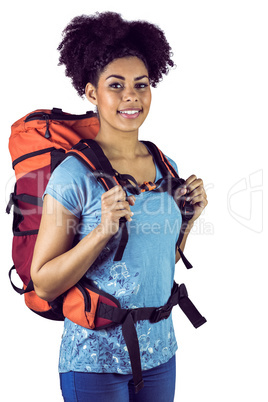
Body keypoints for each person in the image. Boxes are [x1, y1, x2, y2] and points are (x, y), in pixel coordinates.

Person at [30, 11, 208, 402]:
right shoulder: (73, 174)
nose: (131, 96)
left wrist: (189, 219)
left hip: (160, 353)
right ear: (92, 93)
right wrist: (101, 231)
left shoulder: (165, 165)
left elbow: (157, 264)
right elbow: (43, 281)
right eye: (116, 85)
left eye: (141, 85)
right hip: (93, 362)